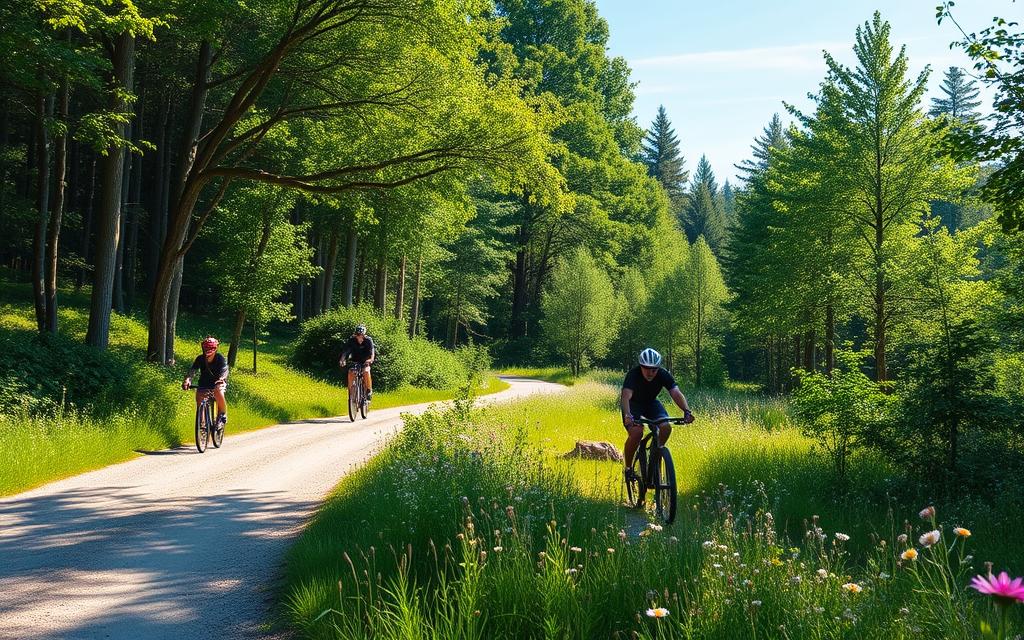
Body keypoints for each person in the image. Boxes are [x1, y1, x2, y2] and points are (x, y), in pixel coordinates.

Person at [621, 347, 693, 483]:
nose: (650, 372)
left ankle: (657, 456)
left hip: (651, 403)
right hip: (633, 405)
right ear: (641, 366)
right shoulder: (633, 374)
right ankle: (628, 468)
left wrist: (686, 411)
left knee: (665, 426)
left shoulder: (663, 374)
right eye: (647, 368)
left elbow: (675, 392)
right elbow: (626, 397)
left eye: (654, 369)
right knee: (636, 433)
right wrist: (628, 415)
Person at [182, 336, 229, 428]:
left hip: (218, 383)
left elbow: (225, 370)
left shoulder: (220, 358)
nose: (208, 350)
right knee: (200, 399)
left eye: (211, 348)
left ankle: (222, 414)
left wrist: (221, 379)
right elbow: (193, 370)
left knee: (218, 391)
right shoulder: (200, 358)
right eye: (206, 347)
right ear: (203, 348)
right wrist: (187, 380)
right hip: (204, 383)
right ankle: (202, 425)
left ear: (216, 348)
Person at [338, 324, 375, 400]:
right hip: (355, 361)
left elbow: (372, 352)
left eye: (361, 335)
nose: (359, 337)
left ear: (364, 335)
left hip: (365, 361)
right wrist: (342, 359)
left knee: (366, 371)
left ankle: (369, 390)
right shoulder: (352, 340)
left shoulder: (368, 340)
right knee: (351, 372)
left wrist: (371, 359)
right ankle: (351, 391)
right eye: (358, 335)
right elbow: (346, 351)